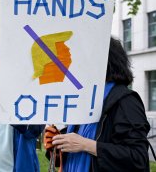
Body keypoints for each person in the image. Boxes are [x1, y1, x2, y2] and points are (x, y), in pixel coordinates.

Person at [45, 37, 150, 172]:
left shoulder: (126, 101)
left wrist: (87, 145)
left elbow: (138, 158)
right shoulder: (84, 100)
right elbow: (72, 152)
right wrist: (57, 144)